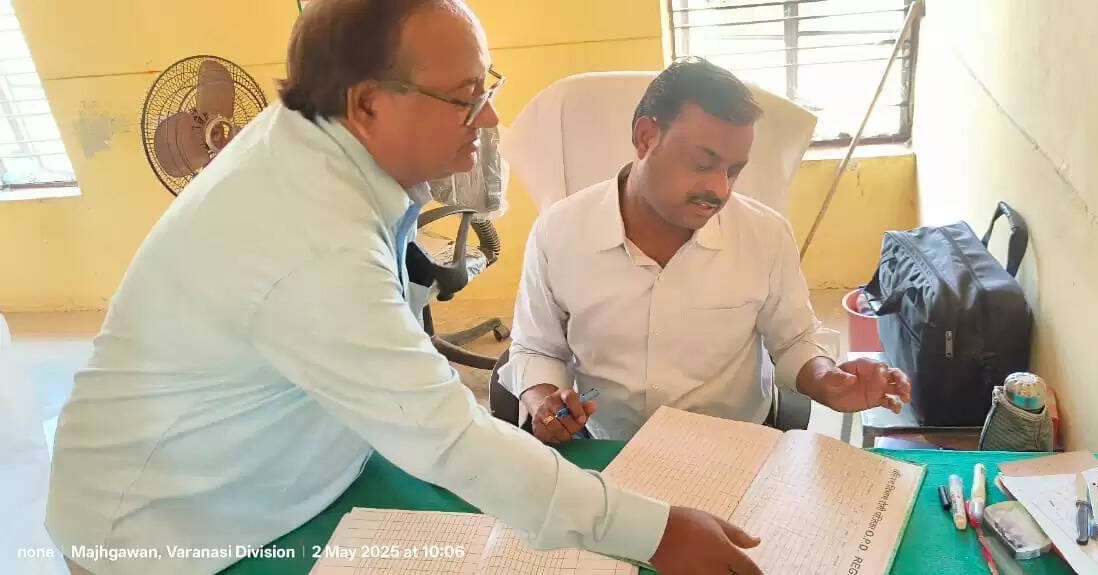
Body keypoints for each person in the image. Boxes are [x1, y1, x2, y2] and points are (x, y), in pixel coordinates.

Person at [44, 2, 761, 574]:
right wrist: (656, 533)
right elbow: (447, 436)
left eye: (486, 88)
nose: (489, 119)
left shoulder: (319, 136)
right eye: (464, 99)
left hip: (295, 459)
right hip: (174, 522)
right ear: (366, 105)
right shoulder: (308, 240)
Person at [501, 58, 913, 443]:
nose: (719, 189)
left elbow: (793, 339)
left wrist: (827, 380)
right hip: (612, 445)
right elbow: (536, 347)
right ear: (645, 138)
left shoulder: (764, 235)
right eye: (703, 164)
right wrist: (543, 402)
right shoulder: (559, 233)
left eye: (733, 170)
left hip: (735, 446)